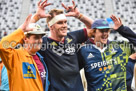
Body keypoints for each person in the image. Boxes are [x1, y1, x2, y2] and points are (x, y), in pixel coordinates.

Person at [30, 0, 94, 90]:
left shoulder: (73, 36)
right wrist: (36, 17)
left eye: (65, 22)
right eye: (60, 23)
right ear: (50, 26)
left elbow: (95, 28)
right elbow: (22, 36)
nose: (64, 25)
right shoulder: (43, 43)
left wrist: (79, 16)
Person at [79, 15, 136, 91]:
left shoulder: (120, 46)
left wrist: (122, 29)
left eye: (107, 30)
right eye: (102, 31)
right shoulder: (84, 51)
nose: (105, 33)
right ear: (94, 32)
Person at [0, 15, 49, 91]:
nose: (40, 41)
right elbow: (3, 46)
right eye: (36, 37)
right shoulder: (15, 56)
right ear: (25, 38)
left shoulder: (41, 58)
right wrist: (21, 30)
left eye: (40, 37)